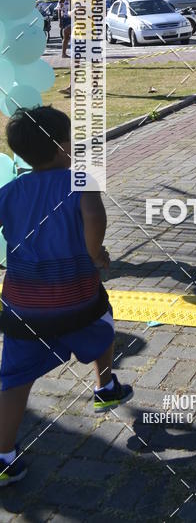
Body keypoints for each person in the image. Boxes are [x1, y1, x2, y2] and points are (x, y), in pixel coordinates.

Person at [0, 107, 133, 487]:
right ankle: (105, 386)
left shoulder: (9, 191)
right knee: (103, 318)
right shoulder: (80, 179)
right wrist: (95, 254)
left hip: (22, 307)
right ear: (62, 145)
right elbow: (94, 215)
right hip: (76, 297)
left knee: (13, 378)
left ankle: (3, 456)